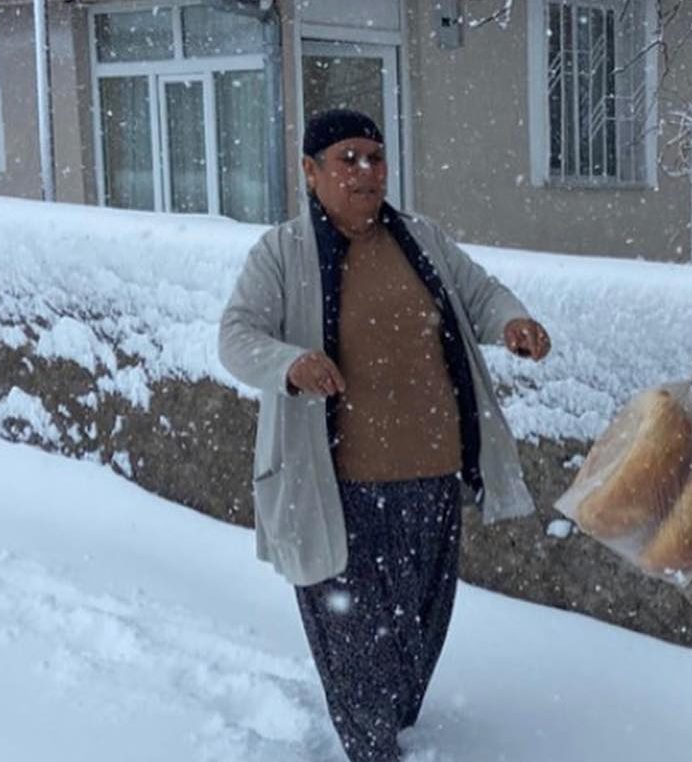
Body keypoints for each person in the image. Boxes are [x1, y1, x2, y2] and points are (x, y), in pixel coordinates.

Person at [218, 109, 550, 762]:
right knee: (356, 643)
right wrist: (290, 363)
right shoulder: (282, 253)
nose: (366, 172)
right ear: (311, 172)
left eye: (375, 157)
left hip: (431, 479)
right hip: (336, 489)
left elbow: (480, 294)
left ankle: (389, 727)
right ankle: (372, 747)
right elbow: (236, 336)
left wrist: (513, 322)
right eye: (348, 159)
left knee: (418, 633)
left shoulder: (420, 238)